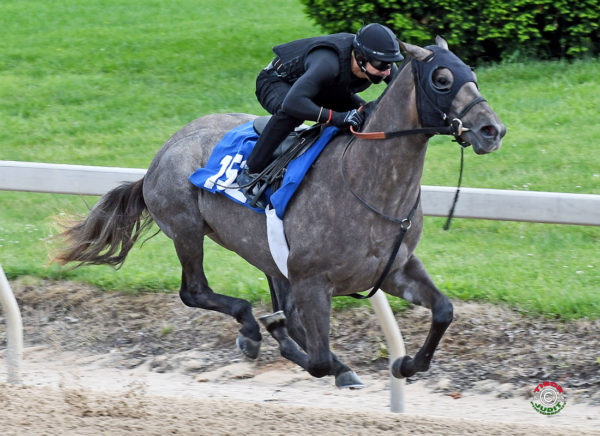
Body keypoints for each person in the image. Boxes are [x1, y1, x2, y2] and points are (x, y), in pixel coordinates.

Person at [237, 23, 404, 207]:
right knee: (292, 113)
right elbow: (293, 102)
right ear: (361, 58)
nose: (387, 71)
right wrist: (338, 118)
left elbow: (401, 93)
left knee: (367, 114)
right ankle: (250, 170)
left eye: (391, 63)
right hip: (277, 83)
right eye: (382, 65)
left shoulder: (378, 63)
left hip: (325, 87)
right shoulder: (327, 63)